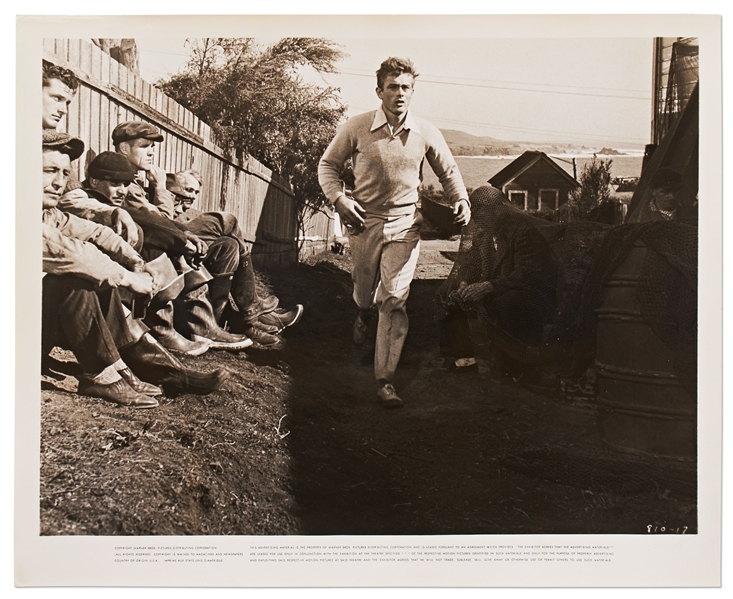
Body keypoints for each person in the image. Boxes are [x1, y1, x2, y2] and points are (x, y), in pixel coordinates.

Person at [318, 57, 471, 408]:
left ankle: (385, 379)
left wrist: (460, 198)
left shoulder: (426, 132)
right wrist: (339, 198)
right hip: (363, 222)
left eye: (405, 87)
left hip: (405, 224)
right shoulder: (355, 128)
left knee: (395, 298)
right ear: (379, 91)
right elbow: (327, 165)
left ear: (413, 92)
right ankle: (362, 311)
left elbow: (448, 171)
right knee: (363, 289)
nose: (399, 93)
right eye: (392, 86)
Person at [42, 132, 229, 407]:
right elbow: (69, 252)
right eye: (49, 171)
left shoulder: (48, 212)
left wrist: (134, 261)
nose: (59, 182)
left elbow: (92, 232)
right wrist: (129, 278)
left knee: (94, 279)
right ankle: (103, 375)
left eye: (64, 173)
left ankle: (159, 373)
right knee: (76, 280)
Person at [110, 123, 253, 352]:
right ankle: (249, 310)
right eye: (144, 146)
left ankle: (213, 321)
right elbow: (158, 222)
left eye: (152, 147)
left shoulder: (135, 179)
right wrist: (160, 188)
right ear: (124, 148)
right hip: (144, 245)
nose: (151, 152)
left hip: (165, 234)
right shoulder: (121, 180)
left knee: (228, 244)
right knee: (226, 220)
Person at [168, 170, 304, 342]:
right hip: (174, 248)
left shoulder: (188, 211)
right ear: (169, 186)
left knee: (229, 245)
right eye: (188, 190)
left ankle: (242, 322)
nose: (192, 197)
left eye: (195, 192)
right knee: (227, 220)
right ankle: (252, 308)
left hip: (192, 255)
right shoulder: (160, 199)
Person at [42, 59, 139, 247]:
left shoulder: (57, 143)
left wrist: (112, 212)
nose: (63, 110)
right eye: (56, 98)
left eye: (67, 103)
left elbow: (73, 198)